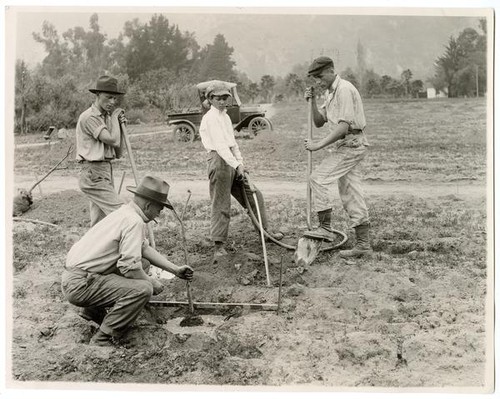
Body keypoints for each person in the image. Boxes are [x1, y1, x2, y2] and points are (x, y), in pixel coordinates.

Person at [62, 175, 194, 346]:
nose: (158, 215)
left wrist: (175, 270)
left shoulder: (125, 213)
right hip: (80, 285)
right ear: (148, 205)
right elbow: (129, 268)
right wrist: (151, 282)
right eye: (159, 210)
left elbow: (143, 248)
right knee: (143, 289)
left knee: (144, 264)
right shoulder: (134, 222)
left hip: (77, 278)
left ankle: (93, 311)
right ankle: (103, 338)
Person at [199, 82, 283, 259]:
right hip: (218, 161)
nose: (222, 101)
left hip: (231, 159)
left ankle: (264, 233)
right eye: (218, 98)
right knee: (221, 204)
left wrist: (241, 163)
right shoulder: (210, 118)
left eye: (224, 98)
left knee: (254, 194)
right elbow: (221, 147)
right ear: (210, 99)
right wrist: (236, 165)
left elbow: (232, 143)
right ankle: (219, 246)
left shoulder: (225, 116)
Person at [303, 56, 373, 258]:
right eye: (314, 78)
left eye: (320, 76)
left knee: (318, 178)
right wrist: (313, 102)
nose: (318, 81)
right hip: (346, 144)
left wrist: (317, 145)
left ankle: (325, 228)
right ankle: (363, 245)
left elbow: (343, 127)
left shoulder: (343, 89)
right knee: (351, 192)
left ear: (331, 70)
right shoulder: (330, 93)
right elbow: (318, 122)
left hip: (352, 143)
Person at [76, 75, 127, 227]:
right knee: (122, 212)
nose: (112, 102)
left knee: (100, 223)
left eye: (115, 99)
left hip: (105, 170)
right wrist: (116, 118)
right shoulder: (90, 117)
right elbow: (113, 140)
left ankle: (92, 249)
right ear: (98, 95)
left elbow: (118, 152)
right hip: (93, 173)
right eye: (108, 97)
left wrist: (120, 127)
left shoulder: (108, 118)